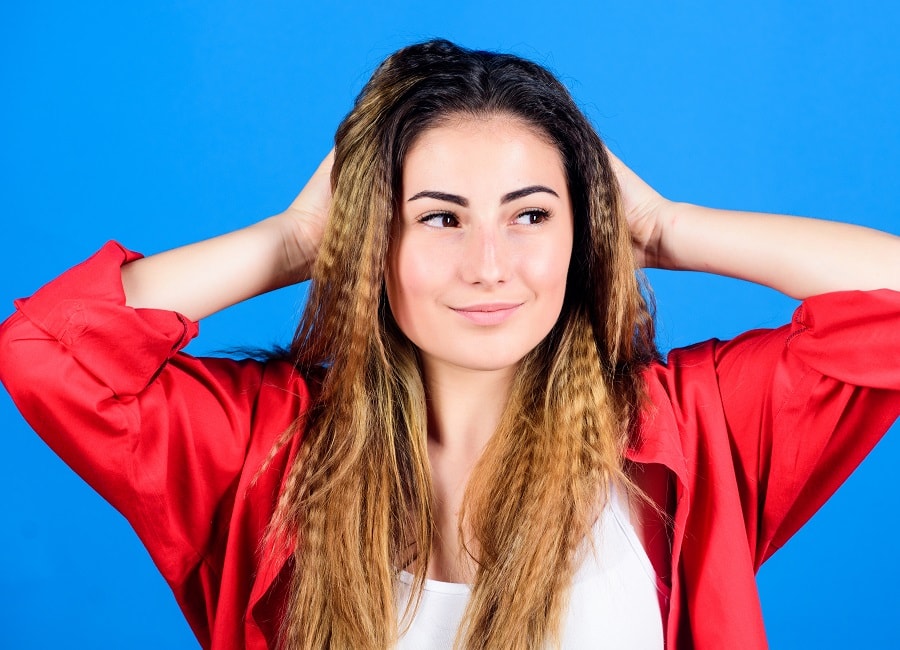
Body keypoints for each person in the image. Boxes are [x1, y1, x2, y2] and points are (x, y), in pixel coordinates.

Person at [1, 38, 898, 650]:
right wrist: (301, 238)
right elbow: (43, 353)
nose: (489, 265)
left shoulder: (695, 433)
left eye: (531, 216)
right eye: (439, 218)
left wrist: (667, 226)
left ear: (584, 229)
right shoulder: (258, 456)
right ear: (374, 238)